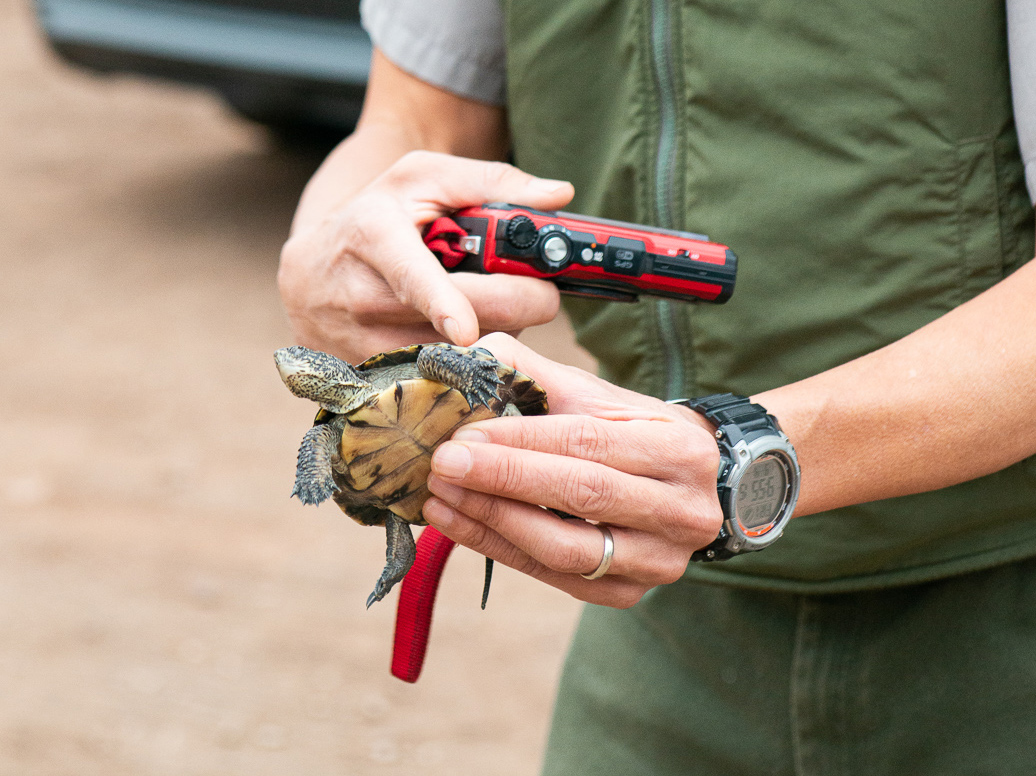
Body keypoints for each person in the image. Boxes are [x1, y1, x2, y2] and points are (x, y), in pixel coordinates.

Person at [278, 0, 1036, 773]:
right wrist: (324, 246)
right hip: (662, 612)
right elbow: (415, 118)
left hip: (996, 607)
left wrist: (740, 458)